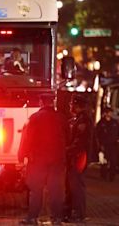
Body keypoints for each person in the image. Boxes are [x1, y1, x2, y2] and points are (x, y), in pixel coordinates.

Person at [18, 94, 69, 225]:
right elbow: (68, 138)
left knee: (36, 190)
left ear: (41, 102)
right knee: (56, 190)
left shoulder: (34, 118)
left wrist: (21, 155)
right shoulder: (61, 118)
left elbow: (26, 138)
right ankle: (57, 218)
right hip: (57, 160)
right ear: (53, 103)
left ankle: (33, 217)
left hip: (38, 160)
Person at [64, 95, 93, 223]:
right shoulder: (77, 119)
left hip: (79, 157)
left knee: (76, 186)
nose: (70, 106)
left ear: (77, 105)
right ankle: (71, 212)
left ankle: (78, 214)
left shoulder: (83, 120)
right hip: (74, 157)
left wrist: (67, 150)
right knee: (72, 186)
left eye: (72, 104)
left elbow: (80, 141)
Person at [96, 107, 119, 181]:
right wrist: (99, 144)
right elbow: (97, 133)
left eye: (111, 112)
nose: (110, 114)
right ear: (106, 113)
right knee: (104, 161)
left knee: (113, 161)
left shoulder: (115, 122)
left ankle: (112, 176)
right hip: (104, 145)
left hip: (113, 145)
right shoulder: (101, 122)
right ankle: (104, 175)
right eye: (109, 112)